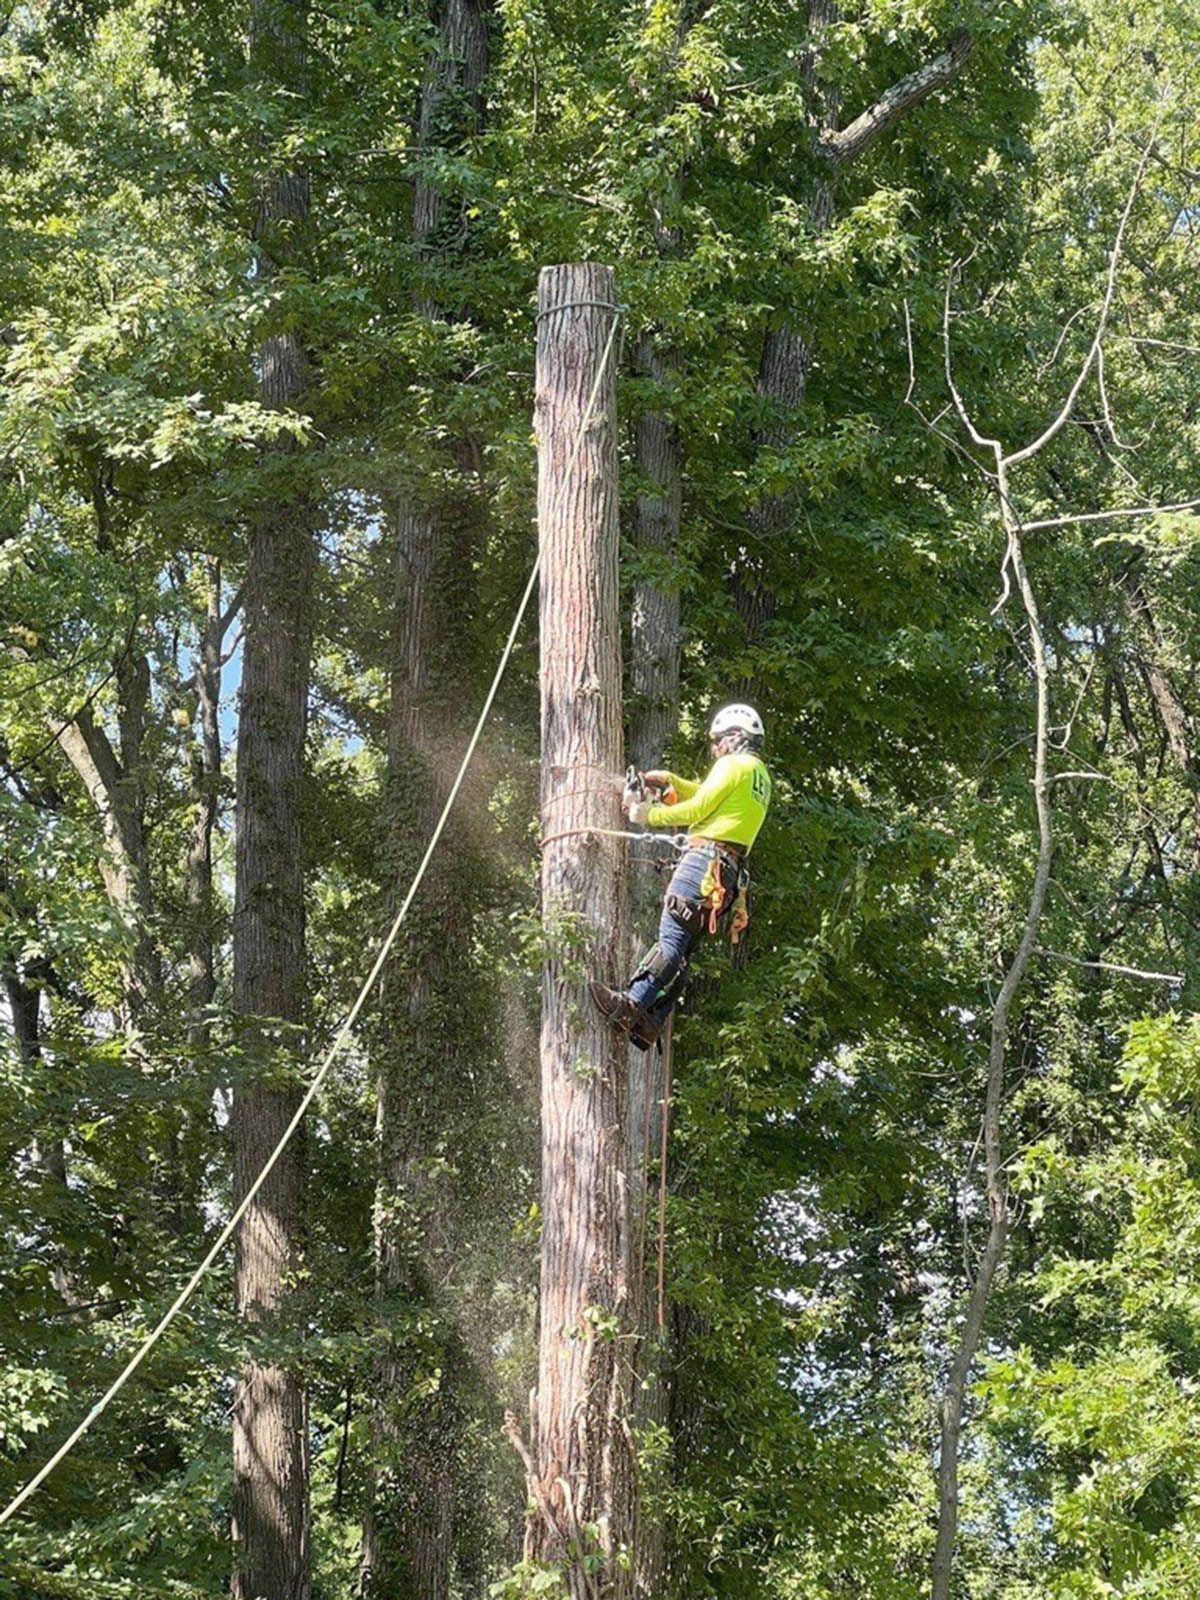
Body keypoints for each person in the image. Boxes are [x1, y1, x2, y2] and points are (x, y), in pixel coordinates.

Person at [589, 703, 772, 1050]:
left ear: (735, 736)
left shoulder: (733, 764)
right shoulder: (758, 775)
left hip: (704, 863)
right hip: (726, 876)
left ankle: (630, 1005)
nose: (716, 749)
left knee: (671, 940)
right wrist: (672, 782)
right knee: (683, 949)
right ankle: (650, 1021)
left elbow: (699, 809)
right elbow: (707, 795)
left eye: (718, 742)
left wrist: (650, 814)